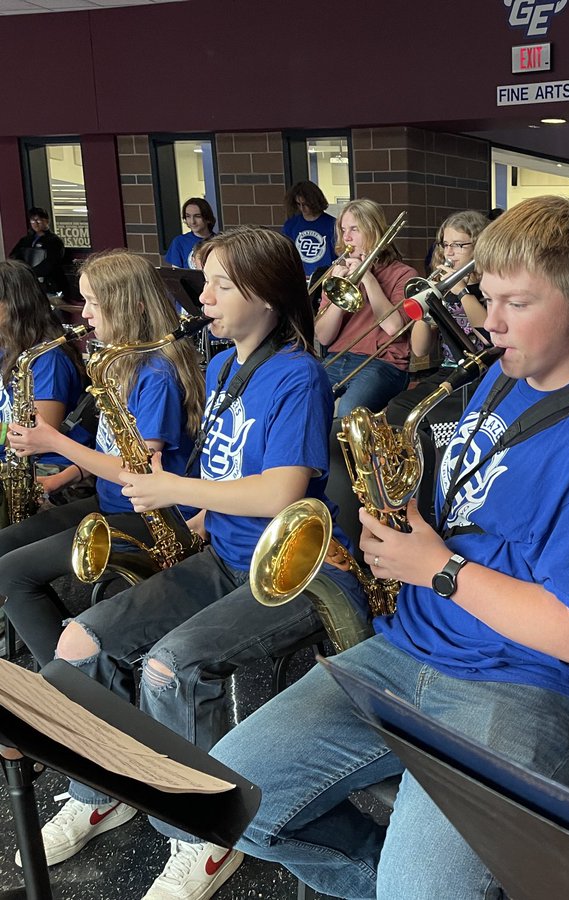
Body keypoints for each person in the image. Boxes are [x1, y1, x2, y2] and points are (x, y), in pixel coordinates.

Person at [187, 194, 569, 900]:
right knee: (224, 803)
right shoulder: (502, 375)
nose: (488, 324)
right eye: (484, 298)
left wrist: (437, 567)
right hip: (411, 648)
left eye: (515, 305)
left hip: (529, 685)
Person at [28, 227, 365, 899]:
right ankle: (101, 791)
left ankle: (205, 837)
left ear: (267, 297)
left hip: (291, 570)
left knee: (170, 669)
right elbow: (232, 470)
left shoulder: (297, 374)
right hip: (226, 553)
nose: (201, 296)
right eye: (204, 283)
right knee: (80, 641)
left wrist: (176, 491)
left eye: (220, 286)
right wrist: (199, 518)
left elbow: (281, 491)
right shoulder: (219, 367)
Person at [1, 250, 205, 666]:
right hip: (111, 501)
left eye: (94, 302)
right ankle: (79, 666)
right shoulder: (120, 363)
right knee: (4, 551)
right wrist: (64, 475)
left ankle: (69, 685)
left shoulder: (156, 375)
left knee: (12, 574)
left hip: (155, 516)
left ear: (132, 305)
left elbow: (139, 469)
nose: (85, 313)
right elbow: (109, 449)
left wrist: (55, 443)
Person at [316, 198, 418, 416]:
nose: (347, 238)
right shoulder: (338, 275)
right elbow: (324, 338)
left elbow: (393, 328)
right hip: (337, 357)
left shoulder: (404, 275)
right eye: (343, 230)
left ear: (373, 231)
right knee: (303, 400)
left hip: (383, 363)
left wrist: (368, 278)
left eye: (355, 229)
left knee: (349, 410)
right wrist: (340, 291)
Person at [0, 259, 87, 503]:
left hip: (44, 469)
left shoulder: (49, 359)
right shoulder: (5, 346)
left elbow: (37, 433)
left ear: (14, 305)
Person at [409, 209, 490, 369]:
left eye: (458, 245)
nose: (449, 253)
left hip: (485, 371)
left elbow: (489, 338)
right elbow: (419, 350)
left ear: (479, 246)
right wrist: (425, 304)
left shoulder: (491, 285)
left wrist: (462, 292)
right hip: (449, 369)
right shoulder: (442, 289)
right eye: (445, 245)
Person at [280, 180, 338, 279]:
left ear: (314, 202)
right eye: (298, 204)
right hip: (299, 278)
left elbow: (339, 254)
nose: (302, 208)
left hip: (326, 278)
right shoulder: (291, 225)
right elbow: (285, 255)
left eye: (305, 204)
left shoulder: (333, 224)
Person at [8, 207, 67, 295]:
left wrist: (31, 272)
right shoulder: (26, 240)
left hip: (48, 284)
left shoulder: (54, 241)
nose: (35, 224)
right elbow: (13, 256)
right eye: (32, 221)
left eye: (38, 220)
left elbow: (51, 262)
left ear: (46, 221)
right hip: (27, 283)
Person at [164, 198, 217, 270]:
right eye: (188, 216)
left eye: (197, 216)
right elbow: (176, 274)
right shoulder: (179, 242)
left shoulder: (219, 241)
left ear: (208, 218)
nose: (192, 221)